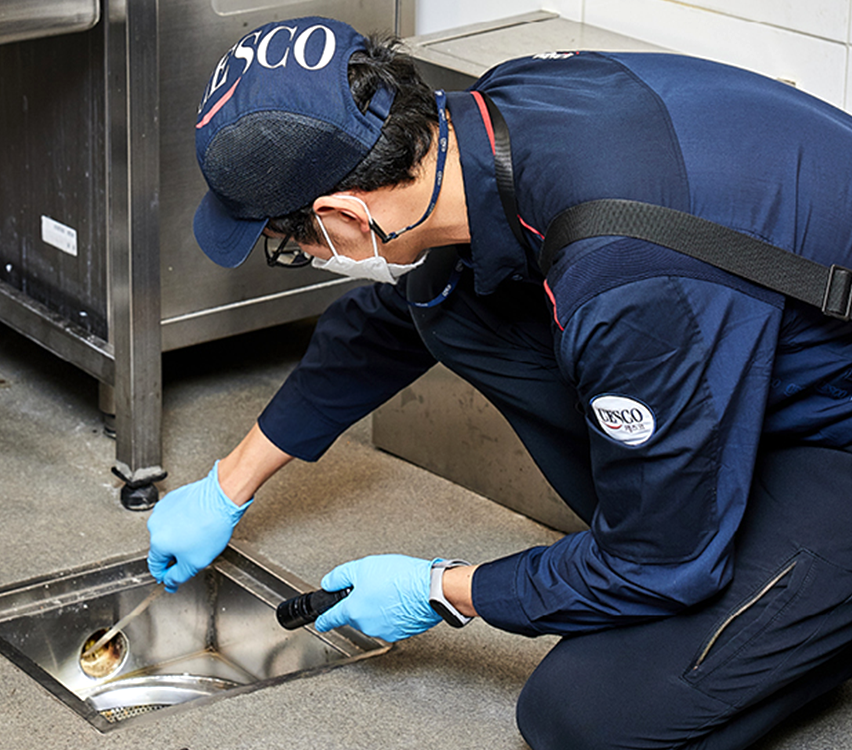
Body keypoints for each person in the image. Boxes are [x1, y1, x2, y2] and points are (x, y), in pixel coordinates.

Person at [146, 15, 852, 749]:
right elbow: (387, 324)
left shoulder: (622, 282)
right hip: (765, 354)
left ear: (341, 213)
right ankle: (762, 593)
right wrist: (227, 485)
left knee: (584, 717)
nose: (300, 254)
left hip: (833, 431)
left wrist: (441, 589)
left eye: (290, 245)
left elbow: (661, 564)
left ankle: (808, 625)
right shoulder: (486, 122)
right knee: (445, 301)